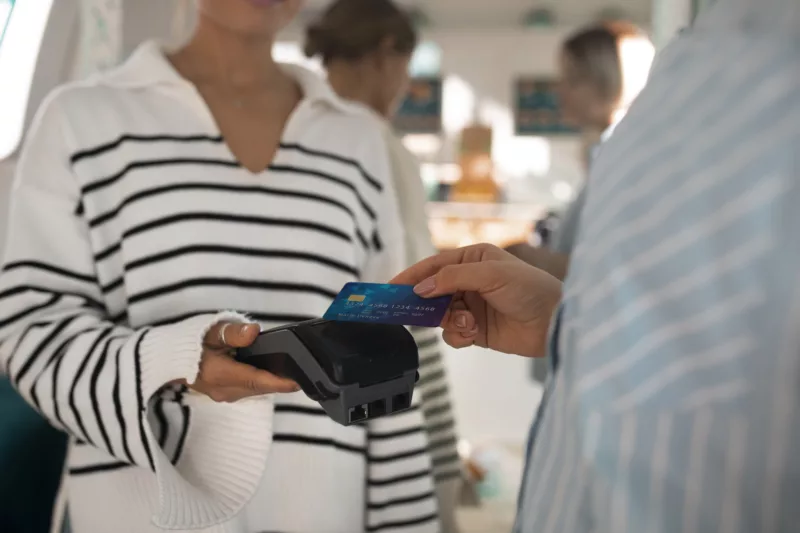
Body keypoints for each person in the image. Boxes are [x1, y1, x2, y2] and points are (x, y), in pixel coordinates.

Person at [0, 0, 448, 531]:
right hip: (141, 511)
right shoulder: (82, 120)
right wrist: (175, 359)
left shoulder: (357, 141)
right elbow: (33, 335)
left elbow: (388, 353)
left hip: (321, 509)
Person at [392, 0, 799, 530]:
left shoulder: (760, 80)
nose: (559, 93)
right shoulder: (702, 78)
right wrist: (565, 319)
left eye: (571, 80)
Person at [303, 2, 463, 530]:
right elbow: (402, 281)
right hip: (395, 350)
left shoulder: (298, 130)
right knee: (415, 498)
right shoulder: (370, 141)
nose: (402, 86)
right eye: (405, 69)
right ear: (385, 55)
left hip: (327, 359)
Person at [507, 21, 655, 281]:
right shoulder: (605, 154)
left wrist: (534, 260)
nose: (560, 91)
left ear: (609, 81)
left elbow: (623, 268)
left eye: (572, 80)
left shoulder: (630, 161)